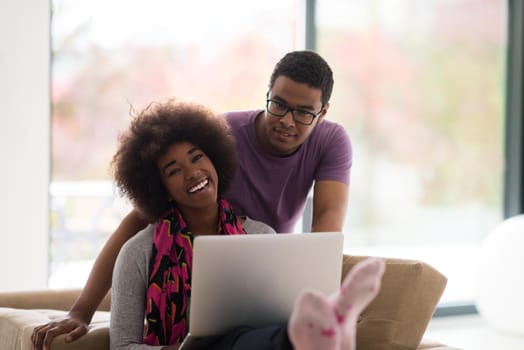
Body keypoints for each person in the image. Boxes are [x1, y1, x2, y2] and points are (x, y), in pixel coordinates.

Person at [32, 50, 352, 349]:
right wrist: (81, 311)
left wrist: (317, 312)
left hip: (259, 268)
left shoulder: (329, 144)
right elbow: (138, 219)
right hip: (188, 258)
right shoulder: (223, 136)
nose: (286, 120)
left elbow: (326, 227)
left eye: (304, 113)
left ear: (322, 113)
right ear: (267, 94)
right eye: (278, 105)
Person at [104, 100, 382, 349]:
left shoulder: (260, 236)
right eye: (174, 171)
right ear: (160, 188)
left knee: (258, 336)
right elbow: (123, 346)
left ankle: (323, 331)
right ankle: (324, 332)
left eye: (197, 157)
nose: (193, 173)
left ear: (214, 158)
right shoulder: (138, 252)